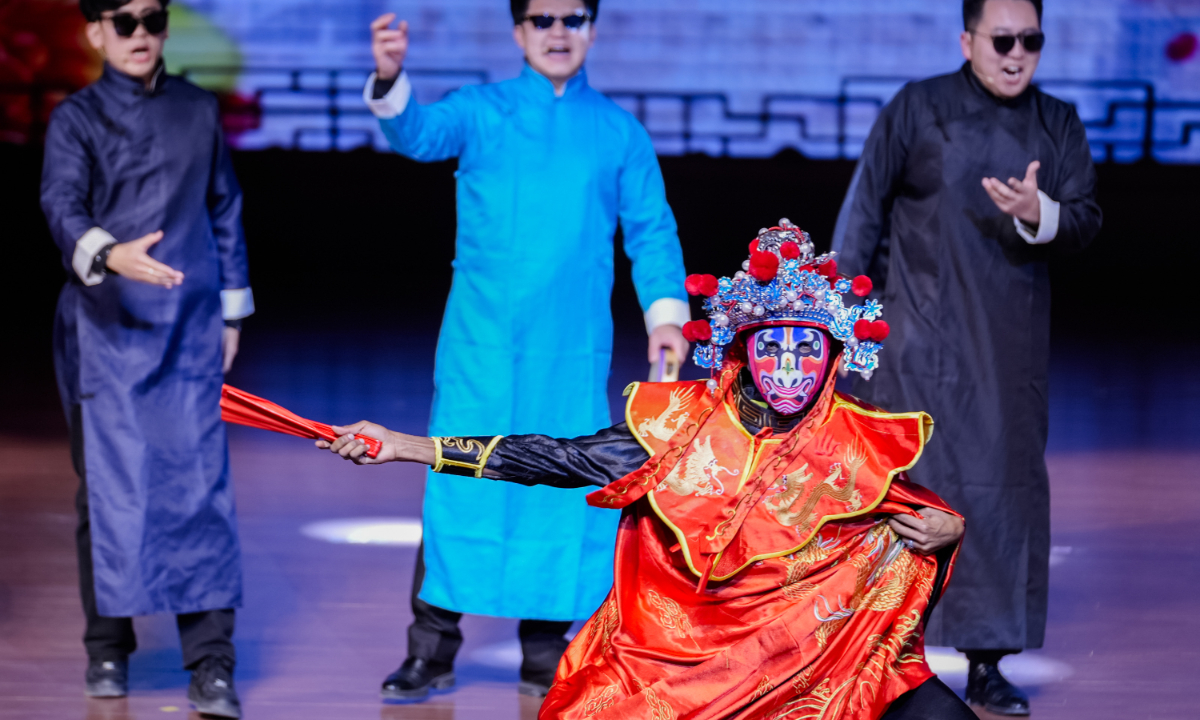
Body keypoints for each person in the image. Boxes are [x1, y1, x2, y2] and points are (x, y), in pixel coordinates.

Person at [319, 221, 976, 720]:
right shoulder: (681, 425)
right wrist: (408, 446)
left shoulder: (850, 436)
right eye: (770, 346)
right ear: (743, 353)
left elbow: (906, 517)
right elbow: (557, 458)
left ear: (833, 357)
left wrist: (947, 528)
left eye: (806, 348)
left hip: (812, 659)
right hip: (675, 660)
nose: (787, 367)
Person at [361, 0, 690, 701]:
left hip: (569, 355)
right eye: (542, 19)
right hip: (483, 350)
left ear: (593, 30)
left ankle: (545, 653)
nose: (558, 32)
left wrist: (665, 315)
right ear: (518, 32)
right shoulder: (480, 111)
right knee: (459, 482)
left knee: (560, 487)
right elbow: (417, 134)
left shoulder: (617, 132)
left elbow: (651, 230)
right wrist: (391, 78)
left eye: (573, 18)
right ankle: (431, 651)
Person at [831, 0, 1102, 714]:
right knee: (901, 491)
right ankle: (877, 649)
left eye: (1031, 41)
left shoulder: (1058, 124)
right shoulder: (917, 109)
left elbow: (1085, 219)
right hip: (910, 342)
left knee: (996, 494)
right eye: (1002, 39)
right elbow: (863, 212)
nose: (1017, 54)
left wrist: (1037, 213)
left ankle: (986, 661)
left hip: (1004, 349)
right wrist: (841, 322)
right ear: (967, 39)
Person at [40, 0, 253, 716]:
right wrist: (109, 252)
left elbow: (223, 204)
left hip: (189, 327)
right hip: (107, 329)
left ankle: (212, 662)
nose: (139, 35)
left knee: (198, 488)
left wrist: (230, 307)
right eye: (121, 22)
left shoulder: (197, 109)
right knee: (108, 491)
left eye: (151, 19)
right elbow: (61, 203)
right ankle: (107, 645)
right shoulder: (76, 118)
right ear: (95, 31)